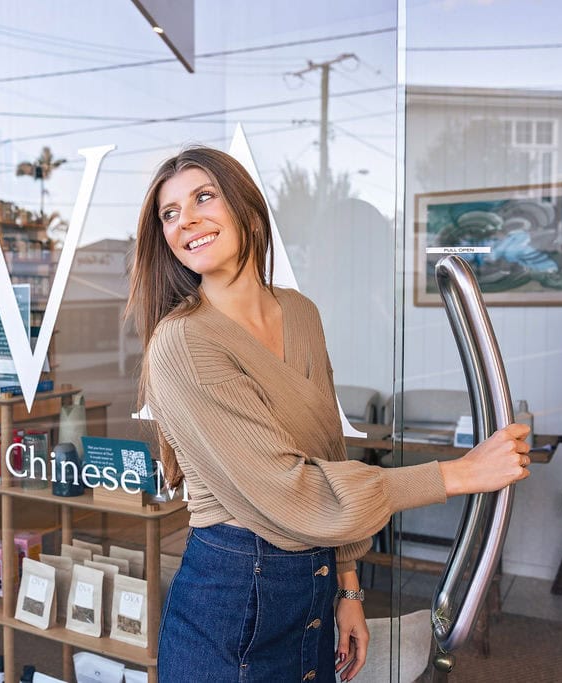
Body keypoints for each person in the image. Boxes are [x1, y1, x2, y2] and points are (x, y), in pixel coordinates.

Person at [126, 147, 532, 682]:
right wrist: (458, 474)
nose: (187, 220)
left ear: (247, 209)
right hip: (230, 601)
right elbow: (292, 490)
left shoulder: (299, 311)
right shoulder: (182, 343)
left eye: (204, 197)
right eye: (170, 213)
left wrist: (347, 587)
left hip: (312, 581)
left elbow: (327, 454)